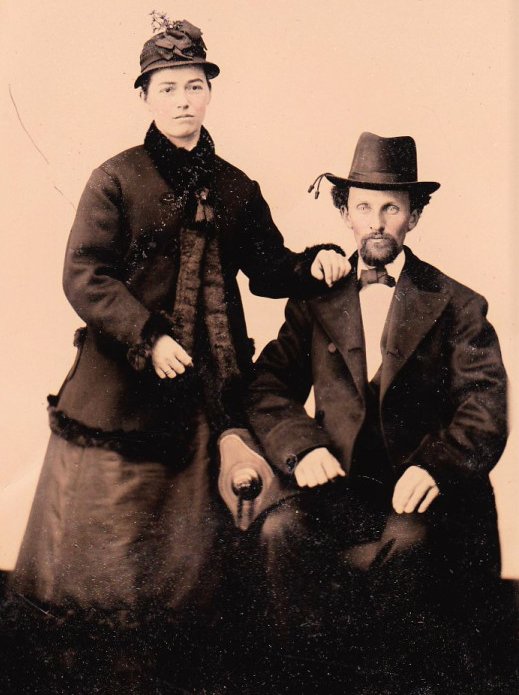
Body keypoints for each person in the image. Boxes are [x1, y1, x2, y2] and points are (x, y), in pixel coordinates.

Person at [5, 16, 349, 693]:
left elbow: (268, 267)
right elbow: (84, 273)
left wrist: (317, 262)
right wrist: (147, 335)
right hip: (121, 389)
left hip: (204, 391)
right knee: (102, 562)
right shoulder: (115, 179)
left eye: (195, 86)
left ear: (209, 93)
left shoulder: (234, 186)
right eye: (168, 88)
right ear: (145, 98)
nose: (184, 100)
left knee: (187, 561)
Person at [246, 132, 512, 693]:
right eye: (363, 206)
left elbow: (484, 407)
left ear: (413, 217)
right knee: (279, 533)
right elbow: (268, 384)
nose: (377, 221)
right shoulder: (313, 299)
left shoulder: (458, 303)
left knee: (410, 547)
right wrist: (303, 446)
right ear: (344, 213)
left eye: (392, 207)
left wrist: (436, 466)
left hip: (422, 494)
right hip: (336, 490)